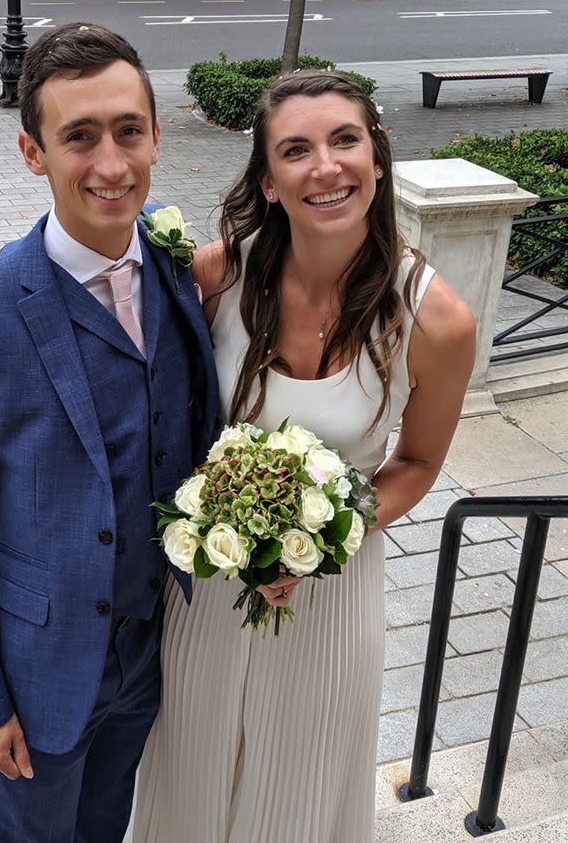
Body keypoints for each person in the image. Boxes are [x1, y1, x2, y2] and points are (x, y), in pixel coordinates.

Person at [130, 69, 476, 843]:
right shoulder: (216, 277)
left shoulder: (437, 320)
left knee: (302, 785)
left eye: (345, 140)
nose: (326, 167)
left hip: (332, 592)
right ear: (271, 180)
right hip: (210, 585)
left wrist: (327, 539)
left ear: (378, 159)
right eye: (297, 150)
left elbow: (417, 464)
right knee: (190, 771)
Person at [0, 22, 219, 843]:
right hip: (34, 678)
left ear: (156, 134)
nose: (111, 165)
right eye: (79, 137)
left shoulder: (179, 274)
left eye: (127, 131)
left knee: (105, 829)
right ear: (32, 151)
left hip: (147, 656)